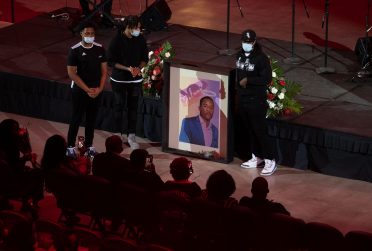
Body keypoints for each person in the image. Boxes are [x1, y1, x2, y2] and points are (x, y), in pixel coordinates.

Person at [236, 29, 277, 176]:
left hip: (256, 101)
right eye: (244, 41)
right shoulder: (239, 55)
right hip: (243, 100)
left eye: (249, 42)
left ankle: (270, 160)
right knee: (250, 131)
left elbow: (267, 79)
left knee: (260, 132)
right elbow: (238, 74)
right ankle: (256, 157)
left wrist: (249, 81)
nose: (246, 44)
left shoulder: (261, 58)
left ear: (254, 42)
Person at [107, 15, 149, 149]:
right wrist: (127, 68)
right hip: (119, 79)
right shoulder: (117, 40)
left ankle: (131, 135)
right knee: (119, 106)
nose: (139, 30)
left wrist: (139, 68)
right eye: (136, 28)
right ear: (128, 27)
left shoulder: (140, 39)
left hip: (135, 81)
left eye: (139, 28)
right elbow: (111, 61)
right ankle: (117, 135)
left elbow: (144, 57)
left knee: (133, 108)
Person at [66, 22, 107, 153]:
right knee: (76, 118)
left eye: (92, 34)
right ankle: (70, 147)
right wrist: (87, 89)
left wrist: (100, 89)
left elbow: (104, 72)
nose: (90, 36)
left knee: (91, 119)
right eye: (87, 33)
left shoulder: (100, 49)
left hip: (96, 91)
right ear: (81, 34)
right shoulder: (74, 50)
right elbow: (71, 73)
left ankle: (89, 145)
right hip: (80, 90)